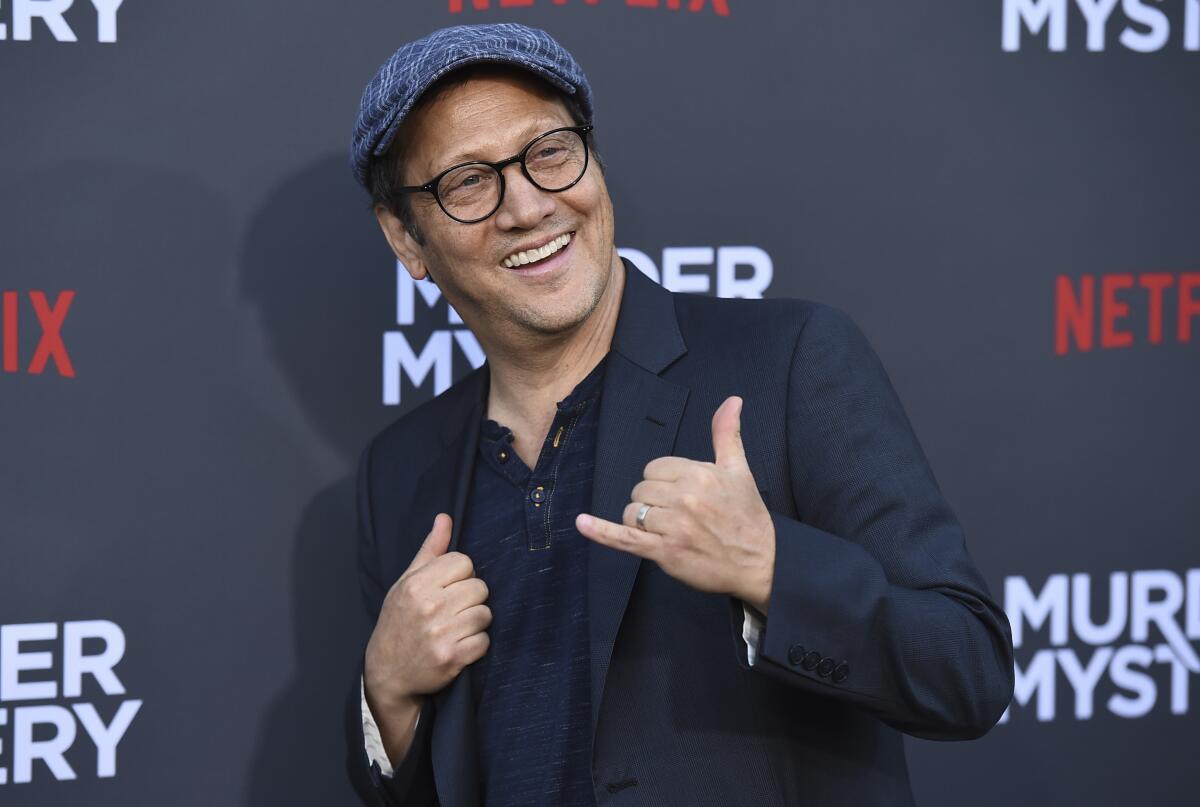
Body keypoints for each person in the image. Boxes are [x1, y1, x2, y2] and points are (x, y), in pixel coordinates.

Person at [345, 22, 1014, 807]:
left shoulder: (789, 361)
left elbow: (966, 671)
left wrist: (772, 569)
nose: (527, 205)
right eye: (468, 182)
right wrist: (385, 695)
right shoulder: (401, 471)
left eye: (550, 151)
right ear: (406, 240)